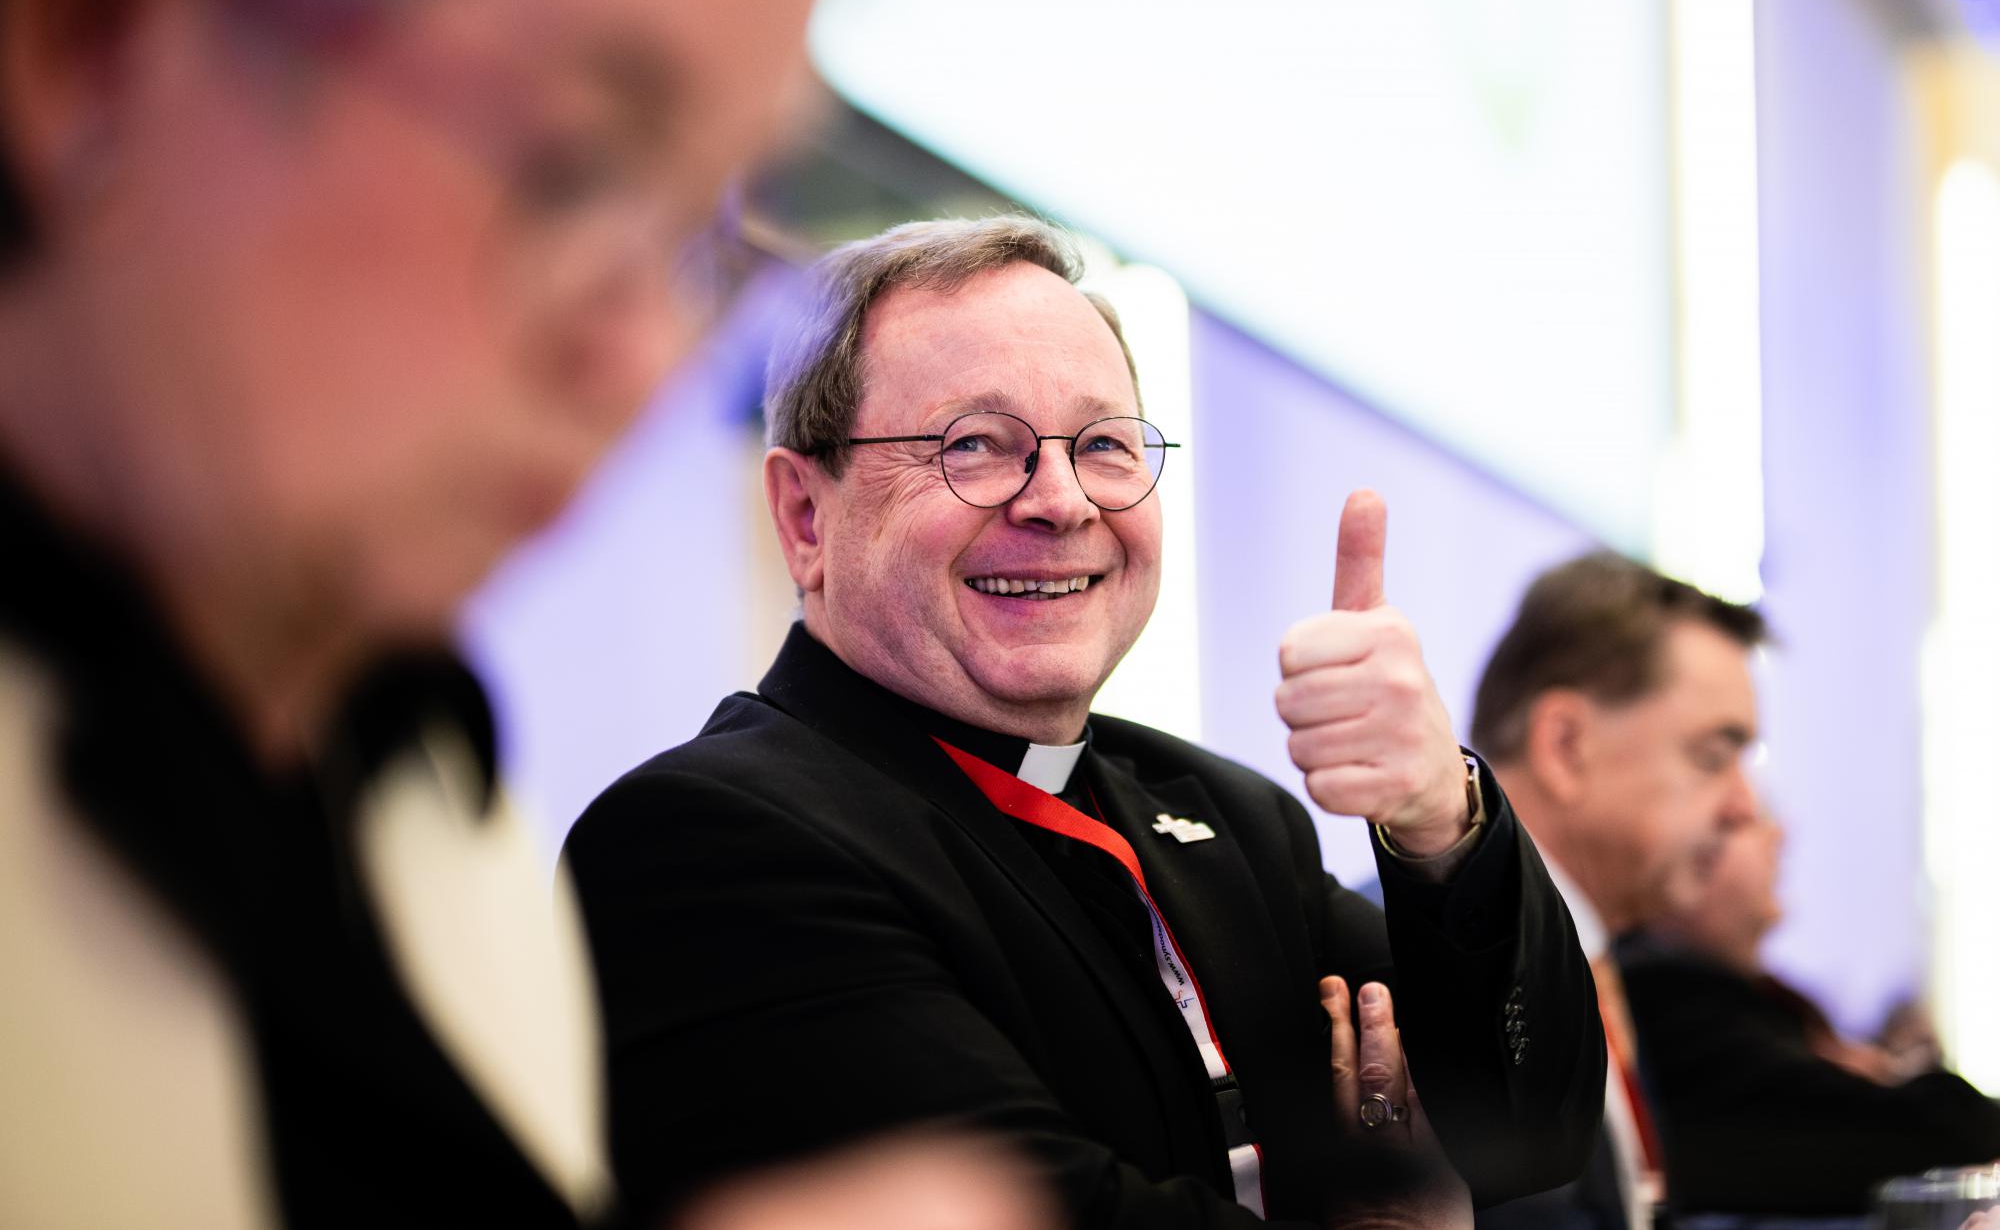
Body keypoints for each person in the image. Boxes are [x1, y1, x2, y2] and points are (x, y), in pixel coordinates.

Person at [0, 0, 855, 1225]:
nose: (639, 360)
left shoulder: (443, 817)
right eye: (572, 164)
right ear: (98, 40)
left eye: (700, 237)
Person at [564, 215, 1606, 1228]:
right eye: (975, 444)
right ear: (804, 515)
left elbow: (1525, 1131)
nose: (1060, 500)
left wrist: (1436, 816)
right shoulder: (708, 842)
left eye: (1103, 444)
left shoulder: (1229, 820)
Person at [1465, 551, 1766, 1230]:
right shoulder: (1428, 966)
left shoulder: (1589, 960)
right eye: (1714, 756)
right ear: (1566, 744)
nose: (1747, 806)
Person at [1620, 809, 2000, 1217]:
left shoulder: (1740, 1001)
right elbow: (1936, 1134)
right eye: (1735, 824)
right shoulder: (1669, 1008)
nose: (1778, 835)